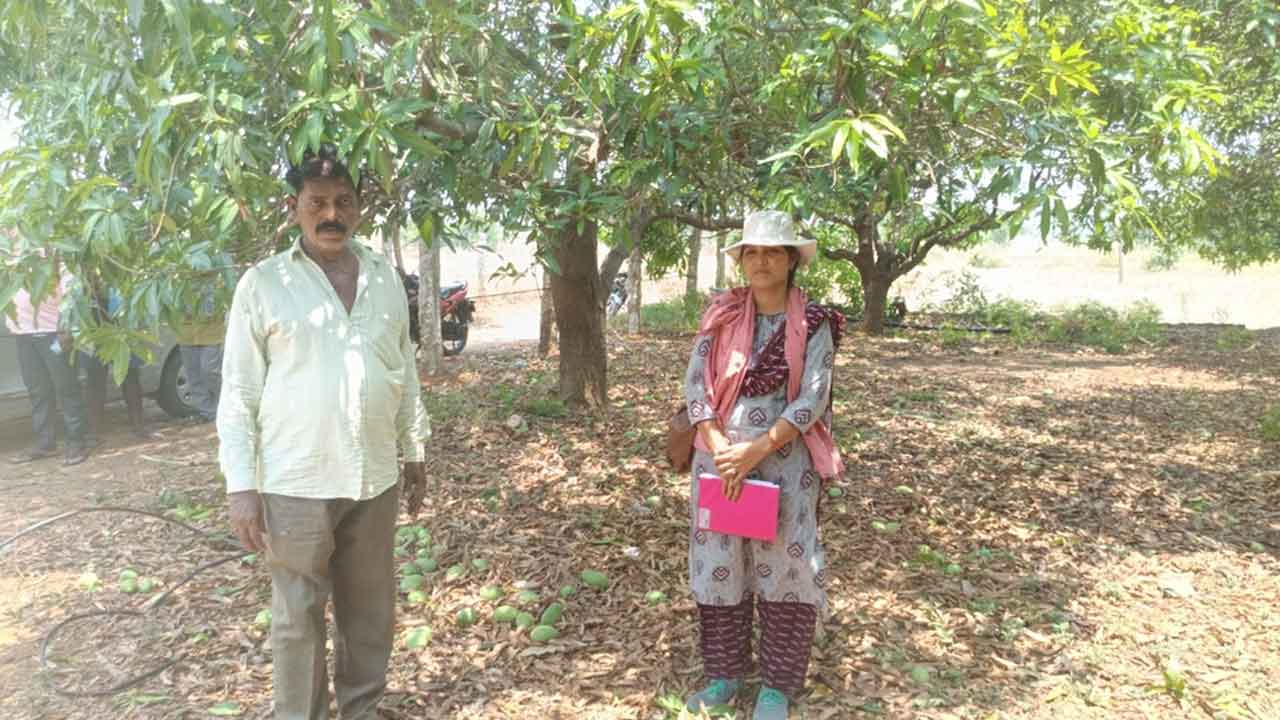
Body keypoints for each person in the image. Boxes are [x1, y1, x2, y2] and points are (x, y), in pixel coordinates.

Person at [217, 145, 429, 720]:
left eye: (343, 202)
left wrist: (414, 449)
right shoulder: (263, 285)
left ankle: (362, 709)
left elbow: (403, 369)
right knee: (297, 617)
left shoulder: (384, 278)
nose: (331, 214)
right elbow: (238, 392)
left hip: (374, 477)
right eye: (317, 203)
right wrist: (241, 486)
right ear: (294, 209)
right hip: (296, 481)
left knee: (369, 612)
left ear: (358, 208)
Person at [681, 210, 845, 720]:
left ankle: (776, 686)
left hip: (784, 465)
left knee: (786, 570)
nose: (761, 261)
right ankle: (724, 674)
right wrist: (718, 445)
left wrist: (755, 450)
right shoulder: (722, 317)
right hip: (720, 466)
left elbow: (812, 397)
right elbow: (695, 386)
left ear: (792, 260)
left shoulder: (814, 324)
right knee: (721, 565)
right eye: (751, 252)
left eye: (773, 252)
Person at [5, 265, 90, 466]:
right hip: (24, 334)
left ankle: (76, 442)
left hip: (53, 334)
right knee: (38, 390)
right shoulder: (11, 257)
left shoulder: (56, 255)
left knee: (66, 387)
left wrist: (67, 328)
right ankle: (45, 443)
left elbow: (73, 293)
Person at [81, 287, 154, 441]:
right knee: (94, 381)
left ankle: (138, 425)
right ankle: (95, 431)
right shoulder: (79, 280)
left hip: (122, 328)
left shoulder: (117, 280)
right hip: (93, 331)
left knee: (131, 378)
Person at [176, 281, 226, 423]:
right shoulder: (177, 281)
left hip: (212, 334)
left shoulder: (216, 279)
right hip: (186, 334)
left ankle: (224, 407)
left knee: (210, 371)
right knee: (194, 377)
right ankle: (209, 413)